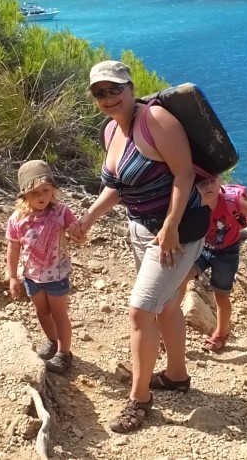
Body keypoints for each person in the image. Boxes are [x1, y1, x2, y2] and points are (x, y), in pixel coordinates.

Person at [76, 60, 211, 434]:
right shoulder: (110, 131)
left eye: (115, 89)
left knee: (140, 311)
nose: (108, 97)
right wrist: (89, 218)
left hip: (177, 232)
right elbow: (117, 186)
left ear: (131, 88)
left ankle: (139, 399)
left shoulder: (155, 121)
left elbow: (183, 175)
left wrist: (170, 227)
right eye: (100, 92)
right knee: (164, 304)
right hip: (141, 230)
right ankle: (176, 376)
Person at [177, 175, 247, 352]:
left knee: (221, 295)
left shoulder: (230, 202)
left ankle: (221, 334)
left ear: (219, 180)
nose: (208, 187)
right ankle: (170, 324)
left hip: (226, 254)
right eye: (201, 183)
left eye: (212, 181)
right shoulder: (190, 203)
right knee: (180, 280)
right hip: (201, 249)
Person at [6, 160, 87, 374]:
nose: (41, 197)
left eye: (46, 190)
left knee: (59, 314)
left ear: (53, 189)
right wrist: (12, 276)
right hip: (32, 275)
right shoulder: (18, 218)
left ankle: (64, 353)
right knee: (41, 311)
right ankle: (52, 341)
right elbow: (13, 248)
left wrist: (80, 234)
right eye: (34, 193)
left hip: (57, 274)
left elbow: (77, 235)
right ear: (24, 195)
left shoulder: (61, 212)